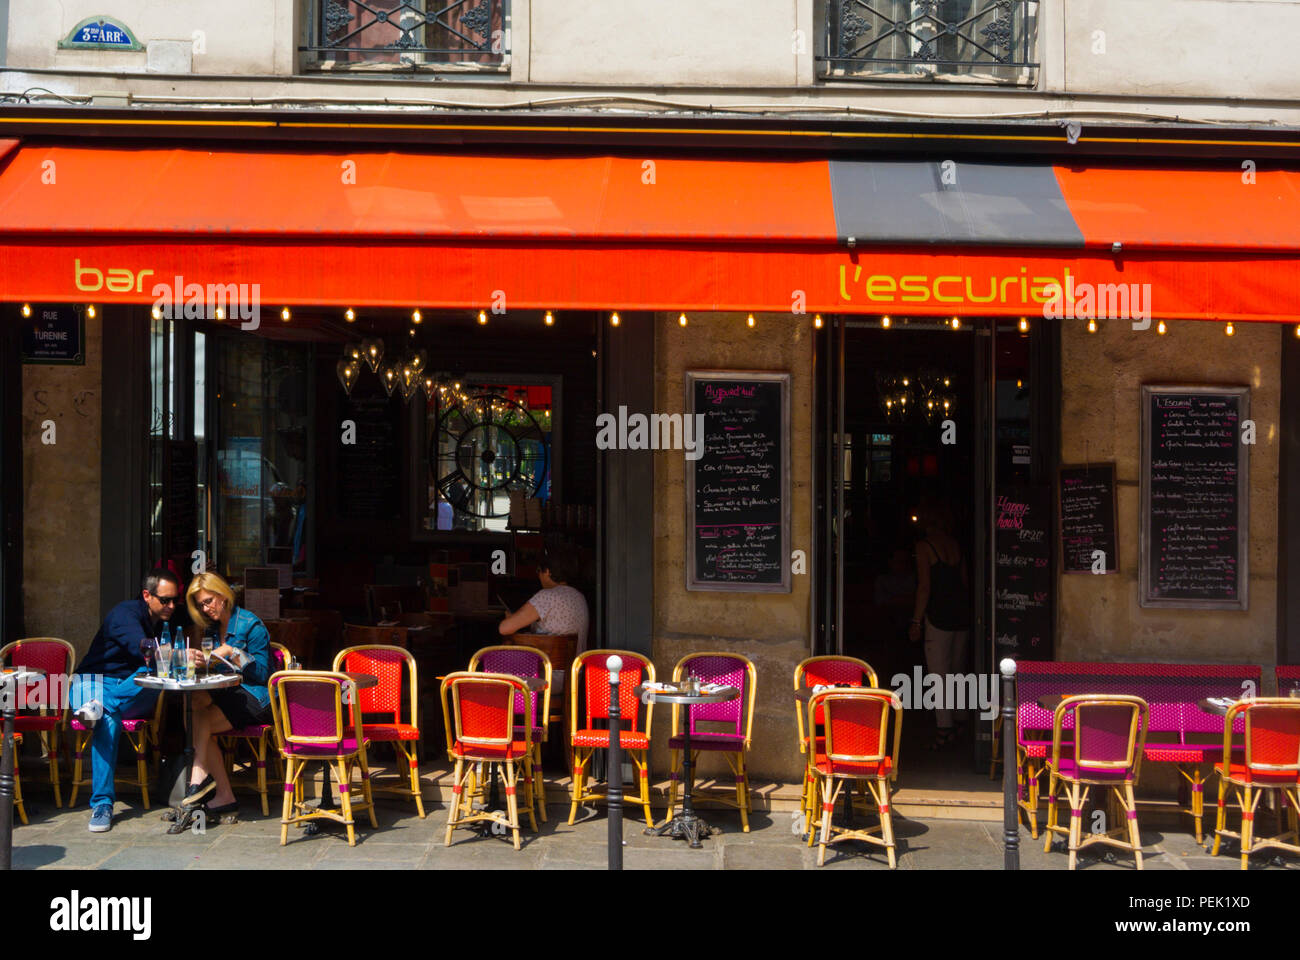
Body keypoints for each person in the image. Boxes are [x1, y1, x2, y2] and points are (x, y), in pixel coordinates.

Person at [70, 569, 178, 833]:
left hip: (128, 690)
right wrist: (179, 654)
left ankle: (101, 705)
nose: (172, 606)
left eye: (175, 600)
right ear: (146, 595)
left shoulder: (164, 620)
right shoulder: (124, 614)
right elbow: (144, 648)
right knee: (106, 719)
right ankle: (103, 804)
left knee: (148, 678)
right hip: (93, 682)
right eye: (165, 600)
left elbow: (158, 665)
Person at [181, 572, 272, 813]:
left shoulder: (251, 625)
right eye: (201, 605)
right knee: (192, 707)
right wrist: (200, 661)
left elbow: (263, 675)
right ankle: (223, 795)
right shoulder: (211, 630)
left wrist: (233, 652)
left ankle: (197, 778)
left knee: (198, 721)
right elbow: (214, 669)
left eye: (208, 601)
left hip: (254, 696)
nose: (206, 608)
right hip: (227, 693)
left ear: (222, 595)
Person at [908, 499, 971, 748]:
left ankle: (944, 728)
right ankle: (960, 720)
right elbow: (965, 583)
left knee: (939, 676)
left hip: (938, 616)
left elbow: (924, 587)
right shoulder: (956, 545)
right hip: (961, 615)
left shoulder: (924, 547)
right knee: (958, 671)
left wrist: (916, 620)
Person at [498, 547, 589, 653]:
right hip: (576, 667)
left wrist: (511, 617)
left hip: (545, 667)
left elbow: (504, 628)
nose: (538, 576)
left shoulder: (547, 596)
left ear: (547, 572)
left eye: (538, 571)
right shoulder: (579, 597)